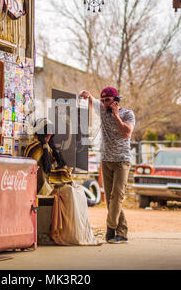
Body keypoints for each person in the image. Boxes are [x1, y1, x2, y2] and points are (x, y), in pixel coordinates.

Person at [24, 118, 101, 246]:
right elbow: (40, 173)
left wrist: (64, 177)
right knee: (70, 193)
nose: (50, 136)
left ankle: (78, 234)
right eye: (48, 133)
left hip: (51, 184)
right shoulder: (35, 148)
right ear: (43, 134)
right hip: (42, 186)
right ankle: (66, 234)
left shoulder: (48, 148)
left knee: (79, 191)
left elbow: (53, 168)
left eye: (51, 134)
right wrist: (60, 180)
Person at [79, 87, 135, 244]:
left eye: (107, 101)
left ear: (116, 100)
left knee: (117, 196)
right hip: (106, 160)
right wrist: (87, 94)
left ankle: (110, 230)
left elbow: (126, 133)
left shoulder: (128, 114)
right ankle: (122, 233)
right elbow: (92, 100)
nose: (104, 104)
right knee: (111, 200)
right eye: (102, 100)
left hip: (122, 160)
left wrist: (116, 115)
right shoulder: (102, 108)